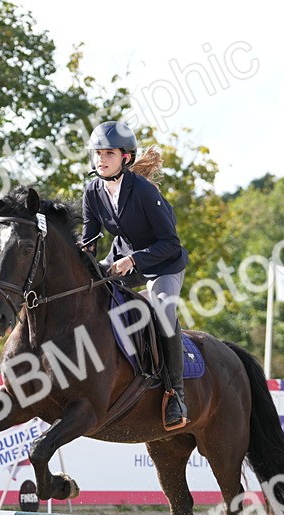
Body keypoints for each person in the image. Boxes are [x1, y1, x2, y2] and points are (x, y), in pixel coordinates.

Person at [82, 120, 190, 431]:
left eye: (109, 154)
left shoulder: (143, 192)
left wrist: (134, 260)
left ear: (126, 157)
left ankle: (175, 395)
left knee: (162, 311)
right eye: (97, 153)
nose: (101, 160)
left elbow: (170, 244)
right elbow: (89, 240)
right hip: (120, 259)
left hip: (162, 263)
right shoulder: (92, 190)